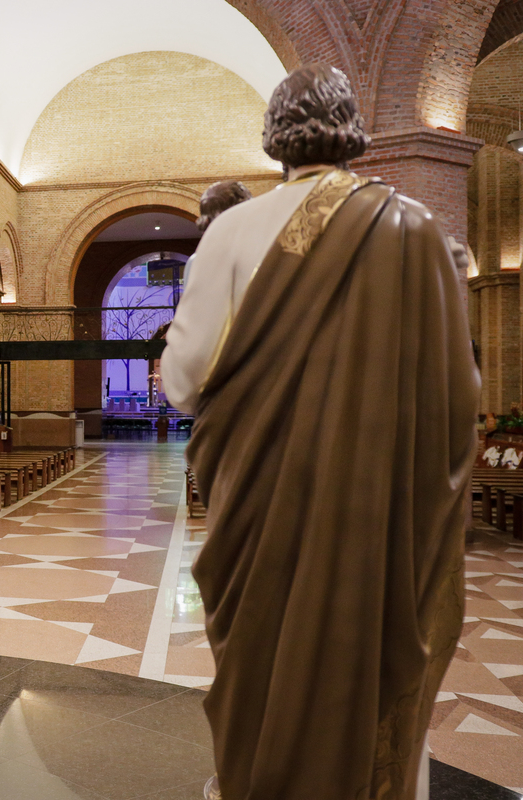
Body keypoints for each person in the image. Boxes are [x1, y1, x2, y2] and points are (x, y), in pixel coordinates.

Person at [161, 65, 479, 800]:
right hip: (381, 510)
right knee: (371, 651)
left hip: (264, 503)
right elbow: (457, 389)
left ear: (275, 138)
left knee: (264, 656)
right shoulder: (415, 228)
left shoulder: (233, 230)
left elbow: (182, 380)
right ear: (353, 132)